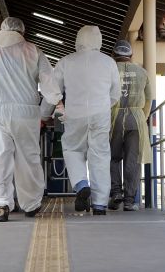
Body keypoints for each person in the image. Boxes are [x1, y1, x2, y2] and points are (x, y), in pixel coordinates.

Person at [0, 17, 59, 222]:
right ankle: (31, 204)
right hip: (26, 112)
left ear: (1, 29)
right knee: (28, 157)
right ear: (22, 32)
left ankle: (1, 204)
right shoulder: (33, 50)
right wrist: (56, 101)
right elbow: (48, 80)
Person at [48, 25, 120, 215]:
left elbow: (53, 91)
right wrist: (103, 106)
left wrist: (49, 111)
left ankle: (81, 184)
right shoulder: (109, 62)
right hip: (101, 114)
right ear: (99, 40)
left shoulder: (65, 61)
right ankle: (99, 205)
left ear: (78, 40)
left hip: (74, 114)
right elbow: (115, 94)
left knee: (72, 149)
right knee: (100, 156)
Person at [108, 40, 152, 211]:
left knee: (112, 157)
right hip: (137, 118)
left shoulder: (109, 70)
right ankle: (129, 200)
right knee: (133, 160)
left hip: (114, 117)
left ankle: (116, 192)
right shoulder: (142, 72)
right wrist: (142, 117)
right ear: (131, 56)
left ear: (114, 55)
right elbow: (148, 99)